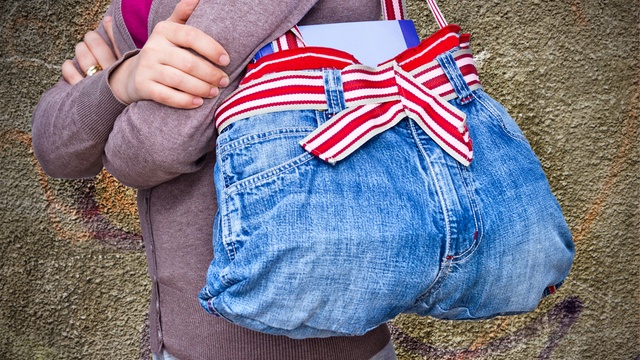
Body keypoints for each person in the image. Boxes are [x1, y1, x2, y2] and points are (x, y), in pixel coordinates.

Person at [31, 0, 396, 359]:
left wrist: (108, 96)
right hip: (178, 336)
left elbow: (149, 151)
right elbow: (54, 147)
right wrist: (122, 79)